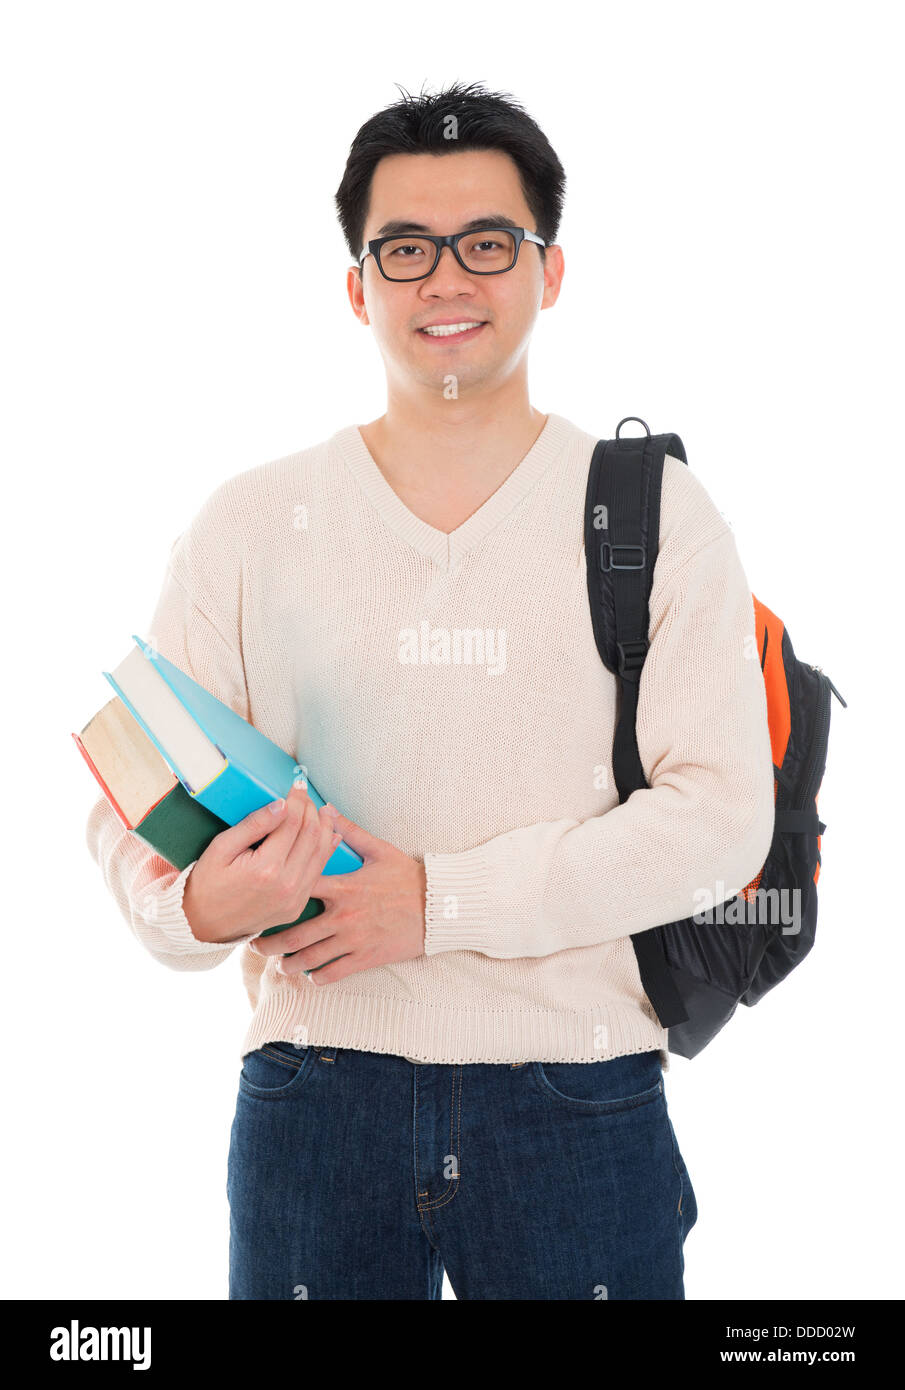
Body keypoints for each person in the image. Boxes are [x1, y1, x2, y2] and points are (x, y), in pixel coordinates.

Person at [86, 81, 775, 1300]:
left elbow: (719, 819)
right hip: (315, 1098)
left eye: (486, 244)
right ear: (357, 285)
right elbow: (128, 809)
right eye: (404, 249)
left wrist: (437, 903)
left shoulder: (653, 515)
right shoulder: (248, 524)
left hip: (578, 1097)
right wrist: (198, 904)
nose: (445, 279)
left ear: (547, 272)